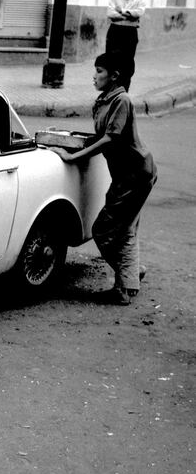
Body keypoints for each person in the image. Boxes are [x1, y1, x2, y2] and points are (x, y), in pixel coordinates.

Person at [50, 51, 157, 306]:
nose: (94, 76)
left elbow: (111, 138)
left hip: (135, 174)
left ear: (114, 76)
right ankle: (131, 273)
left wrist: (73, 157)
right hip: (125, 174)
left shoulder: (122, 100)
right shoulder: (105, 100)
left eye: (99, 71)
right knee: (125, 228)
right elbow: (101, 136)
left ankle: (125, 285)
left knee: (104, 230)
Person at [106, 0, 145, 90]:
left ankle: (123, 91)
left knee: (127, 62)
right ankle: (110, 91)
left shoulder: (140, 1)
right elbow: (110, 14)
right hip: (115, 31)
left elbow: (138, 13)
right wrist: (128, 15)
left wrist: (120, 12)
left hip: (130, 33)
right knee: (111, 61)